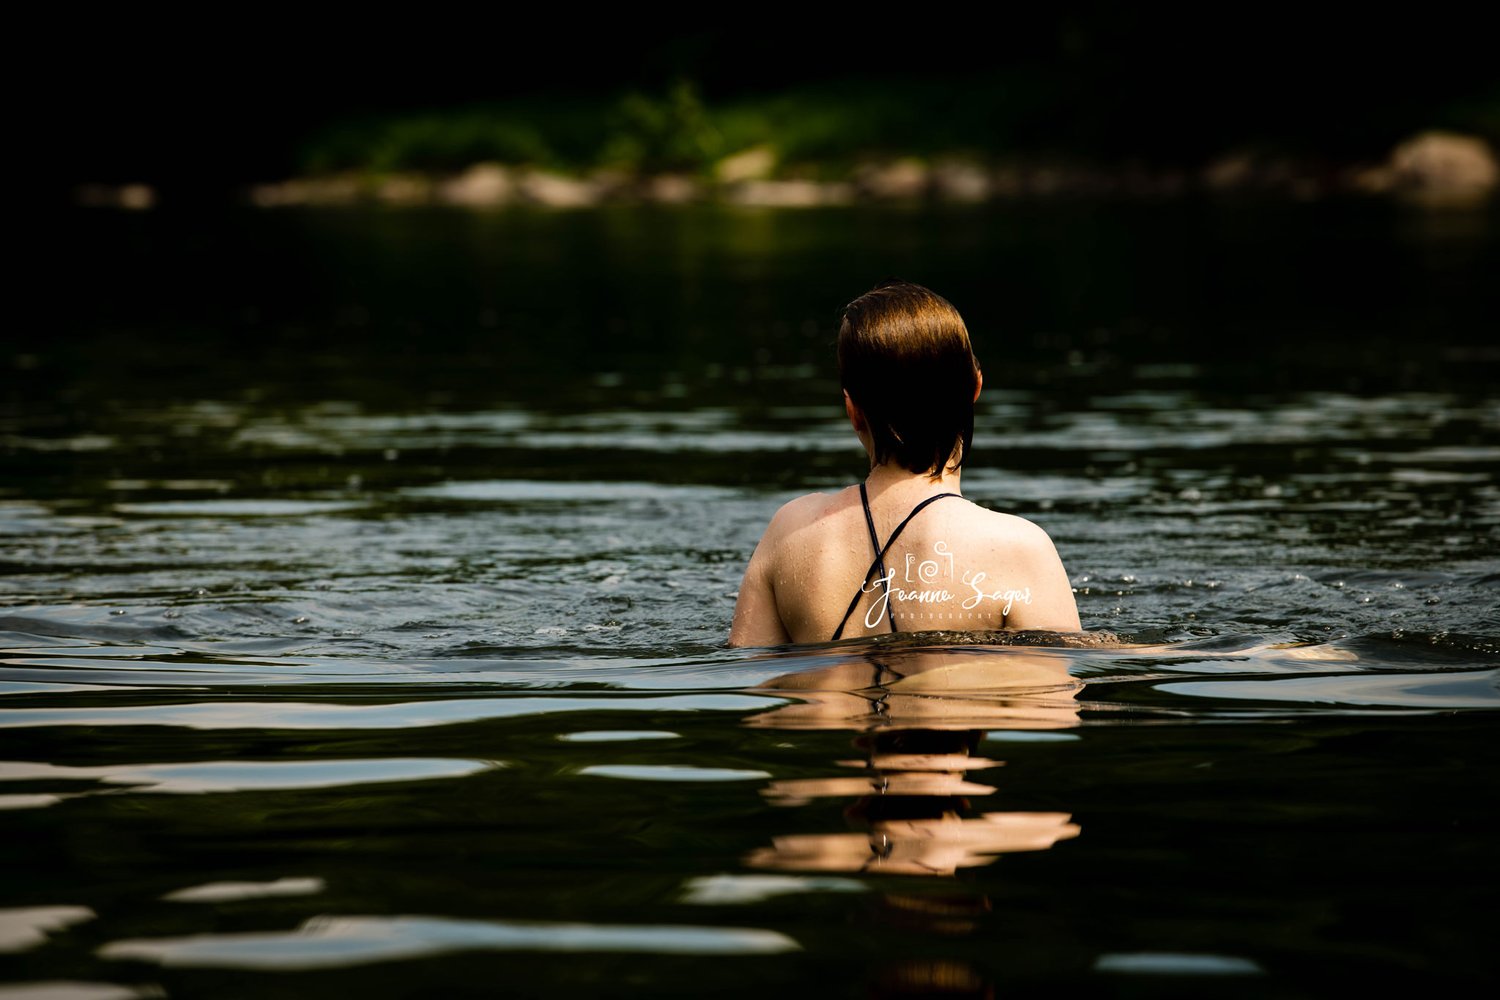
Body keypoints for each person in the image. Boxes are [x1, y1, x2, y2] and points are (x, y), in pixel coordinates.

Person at [728, 280, 1081, 647]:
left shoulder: (789, 533)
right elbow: (1052, 698)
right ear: (974, 390)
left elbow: (746, 670)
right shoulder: (1019, 549)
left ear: (853, 411)